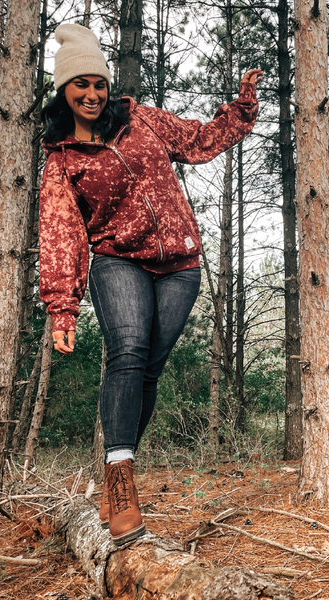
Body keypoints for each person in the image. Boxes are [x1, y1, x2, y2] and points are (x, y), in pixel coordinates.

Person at [39, 23, 261, 546]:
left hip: (180, 265)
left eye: (98, 84)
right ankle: (120, 487)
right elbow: (60, 234)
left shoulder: (140, 119)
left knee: (150, 370)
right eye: (80, 86)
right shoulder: (62, 160)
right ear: (64, 91)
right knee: (129, 351)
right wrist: (61, 309)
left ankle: (121, 470)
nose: (92, 95)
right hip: (118, 260)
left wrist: (241, 107)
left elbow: (201, 141)